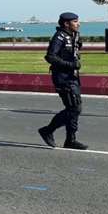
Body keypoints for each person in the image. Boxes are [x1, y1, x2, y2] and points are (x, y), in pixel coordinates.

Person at [38, 12, 88, 150]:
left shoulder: (74, 35)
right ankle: (47, 130)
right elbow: (50, 57)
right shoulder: (59, 37)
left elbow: (74, 52)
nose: (78, 24)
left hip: (73, 76)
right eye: (75, 21)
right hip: (62, 77)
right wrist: (70, 65)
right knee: (74, 108)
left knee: (74, 108)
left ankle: (70, 140)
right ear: (66, 23)